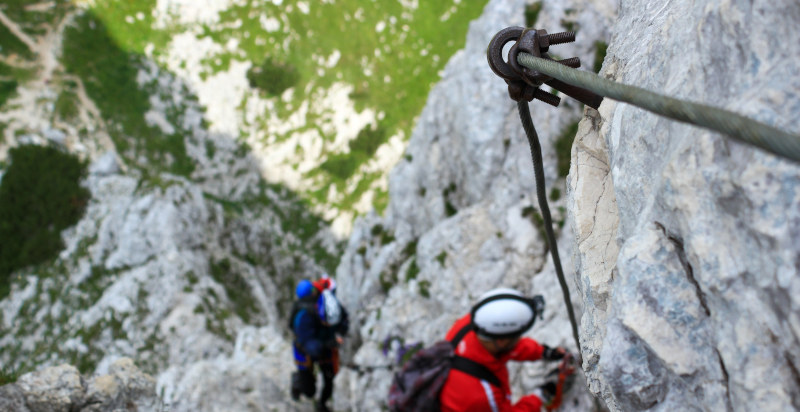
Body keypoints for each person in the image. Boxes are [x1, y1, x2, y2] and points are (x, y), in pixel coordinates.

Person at [439, 288, 567, 412]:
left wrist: (543, 352)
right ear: (501, 341)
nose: (519, 339)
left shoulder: (473, 324)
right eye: (517, 336)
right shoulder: (483, 395)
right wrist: (540, 396)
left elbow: (510, 346)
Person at [290, 276, 349, 412]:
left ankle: (322, 405)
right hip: (306, 350)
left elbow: (343, 318)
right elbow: (311, 346)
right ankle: (298, 381)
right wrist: (331, 342)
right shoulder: (304, 317)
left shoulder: (329, 305)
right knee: (309, 391)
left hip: (323, 346)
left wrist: (340, 331)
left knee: (330, 378)